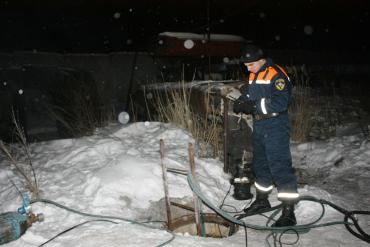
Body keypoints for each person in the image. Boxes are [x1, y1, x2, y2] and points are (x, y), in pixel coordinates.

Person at [233, 44, 299, 227]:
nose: (248, 68)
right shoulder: (255, 73)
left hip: (276, 124)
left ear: (262, 60)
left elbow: (280, 102)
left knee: (279, 165)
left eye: (250, 65)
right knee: (260, 164)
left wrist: (254, 107)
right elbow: (252, 94)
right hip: (260, 124)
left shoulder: (276, 74)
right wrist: (243, 100)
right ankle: (262, 200)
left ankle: (288, 211)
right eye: (245, 65)